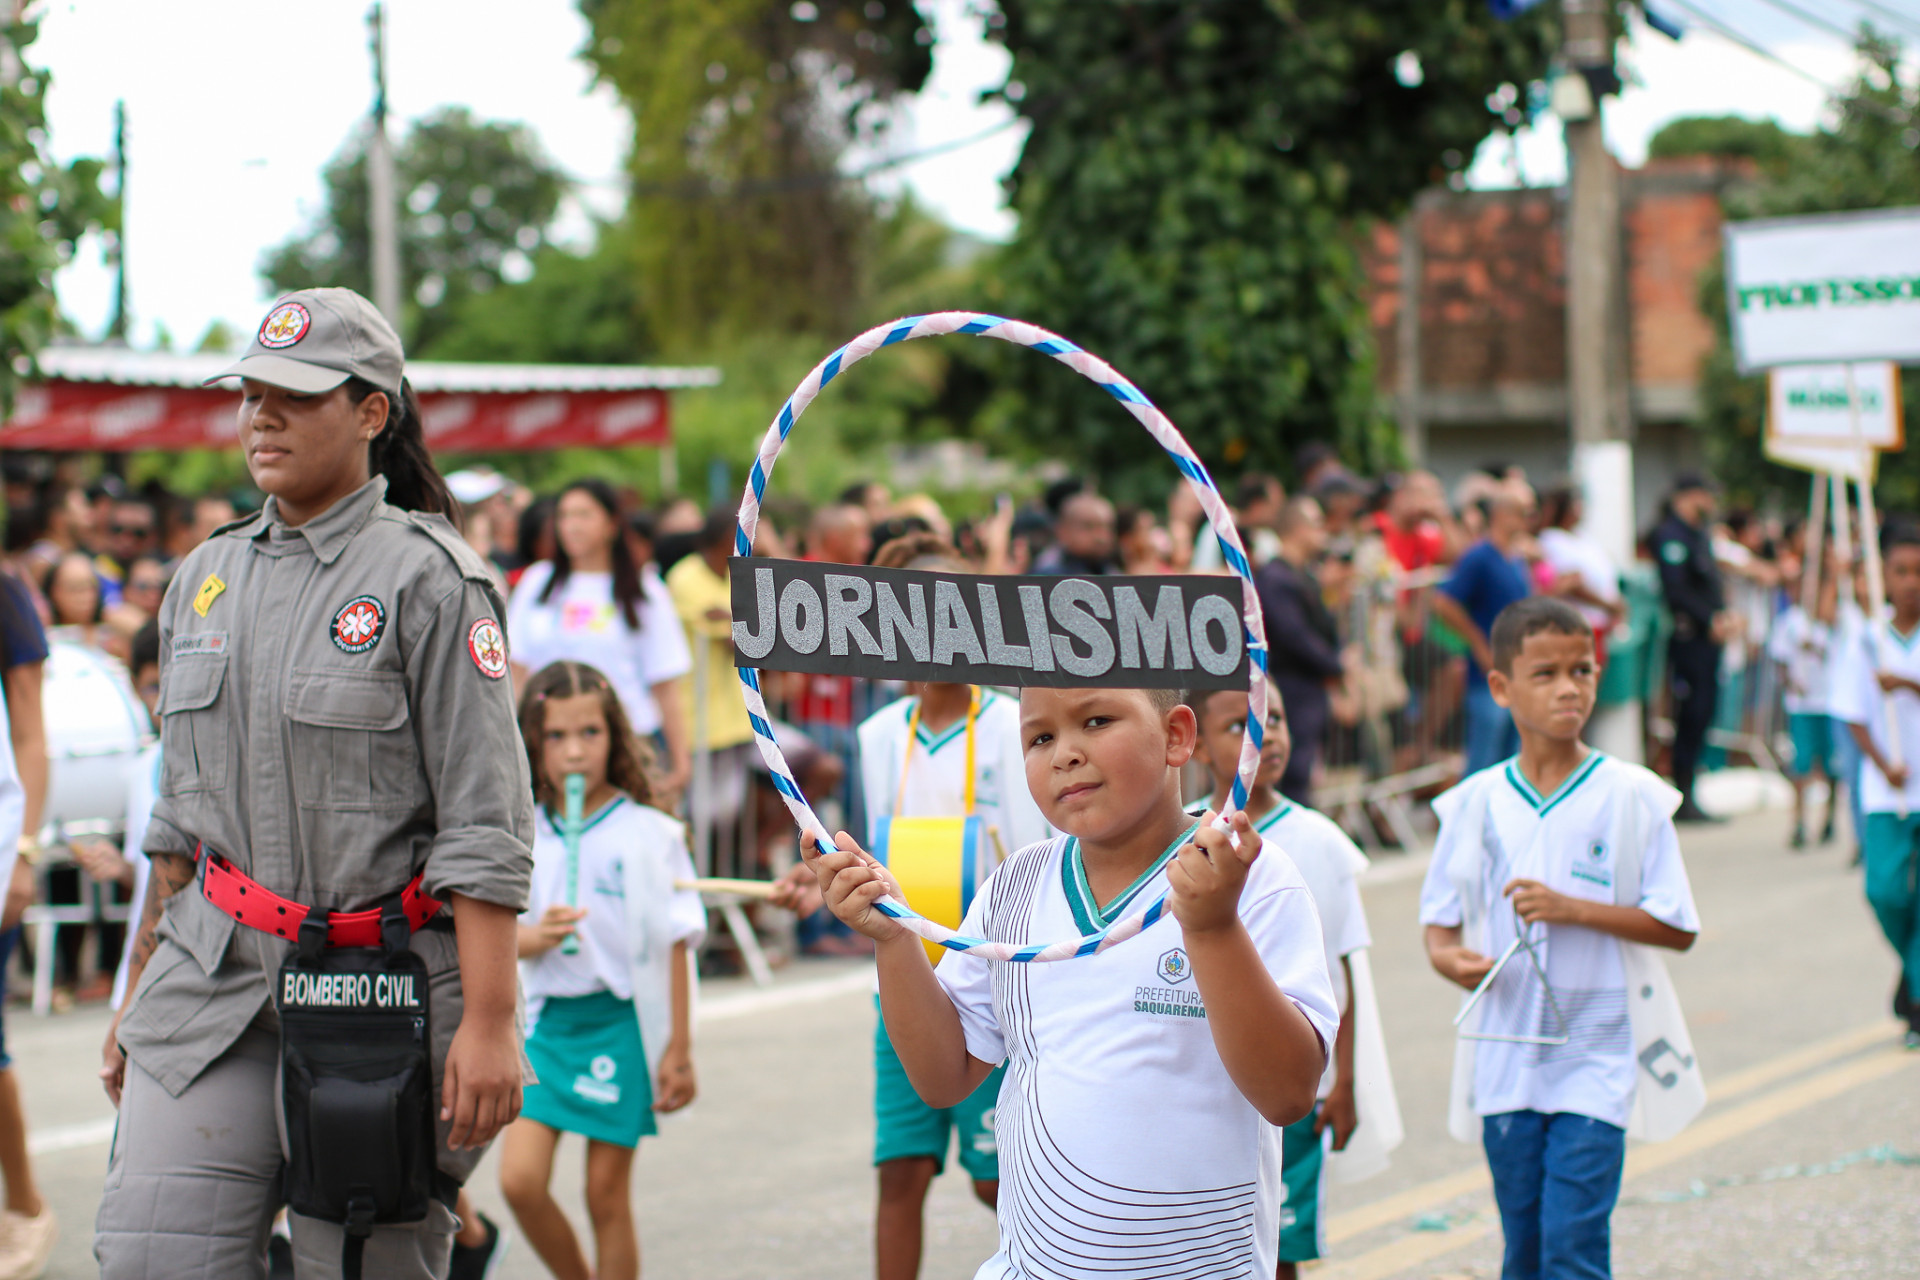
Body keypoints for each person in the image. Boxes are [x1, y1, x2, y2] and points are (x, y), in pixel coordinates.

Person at [94, 287, 535, 1279]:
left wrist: (494, 1019)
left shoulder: (434, 579)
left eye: (293, 394)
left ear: (372, 411)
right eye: (251, 394)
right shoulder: (203, 575)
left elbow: (485, 820)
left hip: (378, 991)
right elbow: (177, 821)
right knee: (150, 1259)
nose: (262, 415)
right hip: (210, 977)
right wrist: (137, 989)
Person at [805, 683, 1339, 1279]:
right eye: (1040, 737)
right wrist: (895, 939)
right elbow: (943, 1074)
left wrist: (1213, 930)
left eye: (1097, 721)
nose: (1065, 753)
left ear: (1177, 736)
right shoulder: (1015, 885)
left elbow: (1288, 1092)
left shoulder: (1248, 878)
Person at [1421, 598, 1700, 1280]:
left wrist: (1573, 909)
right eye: (1545, 674)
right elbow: (1439, 921)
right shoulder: (1475, 801)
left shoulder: (1633, 796)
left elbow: (1677, 927)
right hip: (1507, 1063)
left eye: (1582, 670)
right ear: (1500, 688)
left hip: (1597, 1058)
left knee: (1572, 1248)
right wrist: (1448, 959)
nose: (1569, 688)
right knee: (1523, 1248)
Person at [1185, 680, 1395, 1278]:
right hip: (1214, 1076)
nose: (1266, 736)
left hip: (1295, 1073)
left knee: (1281, 1250)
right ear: (1195, 745)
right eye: (1240, 726)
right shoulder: (1186, 838)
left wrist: (1344, 1079)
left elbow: (1346, 969)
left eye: (1273, 719)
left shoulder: (1321, 841)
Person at [498, 661, 700, 1280]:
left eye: (590, 732)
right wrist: (529, 939)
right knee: (519, 1182)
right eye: (556, 737)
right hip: (545, 1028)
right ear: (532, 741)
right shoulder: (519, 827)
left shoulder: (651, 832)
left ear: (615, 735)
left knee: (605, 1196)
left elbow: (676, 942)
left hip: (621, 1027)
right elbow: (492, 931)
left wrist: (679, 1050)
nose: (575, 751)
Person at [507, 480, 693, 806]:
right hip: (550, 743)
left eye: (583, 515)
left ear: (611, 524)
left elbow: (665, 685)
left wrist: (680, 762)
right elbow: (517, 673)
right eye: (564, 516)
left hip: (629, 745)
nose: (571, 526)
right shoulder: (537, 583)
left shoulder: (645, 590)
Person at [1832, 522, 1920, 1048]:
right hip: (1888, 794)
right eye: (1902, 571)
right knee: (1884, 891)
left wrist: (1909, 683)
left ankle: (1915, 1000)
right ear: (1882, 575)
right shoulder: (1865, 640)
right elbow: (1851, 714)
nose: (1912, 581)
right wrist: (1882, 762)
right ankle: (1912, 970)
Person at [0, 566, 52, 1280]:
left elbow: (33, 738)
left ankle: (27, 1204)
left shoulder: (5, 594)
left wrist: (25, 852)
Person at [665, 510, 758, 878]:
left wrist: (734, 618)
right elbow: (741, 636)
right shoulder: (685, 577)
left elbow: (753, 627)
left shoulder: (740, 571)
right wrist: (745, 620)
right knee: (703, 821)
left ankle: (732, 886)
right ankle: (705, 894)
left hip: (737, 718)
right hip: (697, 718)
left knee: (733, 815)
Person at [1432, 482, 1537, 776]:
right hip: (1488, 675)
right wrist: (1478, 644)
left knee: (1511, 755)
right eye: (1521, 512)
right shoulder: (1479, 556)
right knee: (1484, 757)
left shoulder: (1515, 558)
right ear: (1501, 515)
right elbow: (1443, 602)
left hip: (1516, 670)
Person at [1651, 473, 1734, 823]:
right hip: (1688, 638)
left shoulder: (1698, 534)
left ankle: (1691, 792)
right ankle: (1682, 795)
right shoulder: (1670, 535)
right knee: (1690, 713)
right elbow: (1677, 591)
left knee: (1703, 714)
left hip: (1708, 640)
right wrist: (1708, 619)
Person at [1253, 497, 1346, 806]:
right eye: (1317, 522)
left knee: (1304, 771)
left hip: (1306, 689)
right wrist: (1336, 665)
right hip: (1291, 690)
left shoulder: (1300, 574)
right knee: (1292, 774)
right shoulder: (1277, 578)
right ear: (1297, 529)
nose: (1324, 530)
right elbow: (1294, 636)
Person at [1768, 560, 1840, 850]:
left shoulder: (1832, 623)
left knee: (1831, 763)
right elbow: (1780, 659)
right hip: (1802, 704)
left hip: (1829, 702)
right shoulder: (1790, 622)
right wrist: (1791, 683)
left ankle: (1829, 816)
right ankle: (1798, 821)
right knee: (1801, 763)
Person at [1537, 484, 1625, 667]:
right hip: (1577, 624)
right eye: (1575, 504)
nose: (1580, 509)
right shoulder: (1551, 539)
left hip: (1599, 623)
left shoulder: (1583, 537)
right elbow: (1572, 583)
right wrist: (1608, 605)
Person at [1030, 490, 1118, 576]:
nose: (1101, 537)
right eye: (1089, 527)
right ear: (1062, 531)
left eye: (1108, 527)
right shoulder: (1046, 577)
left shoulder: (1114, 574)